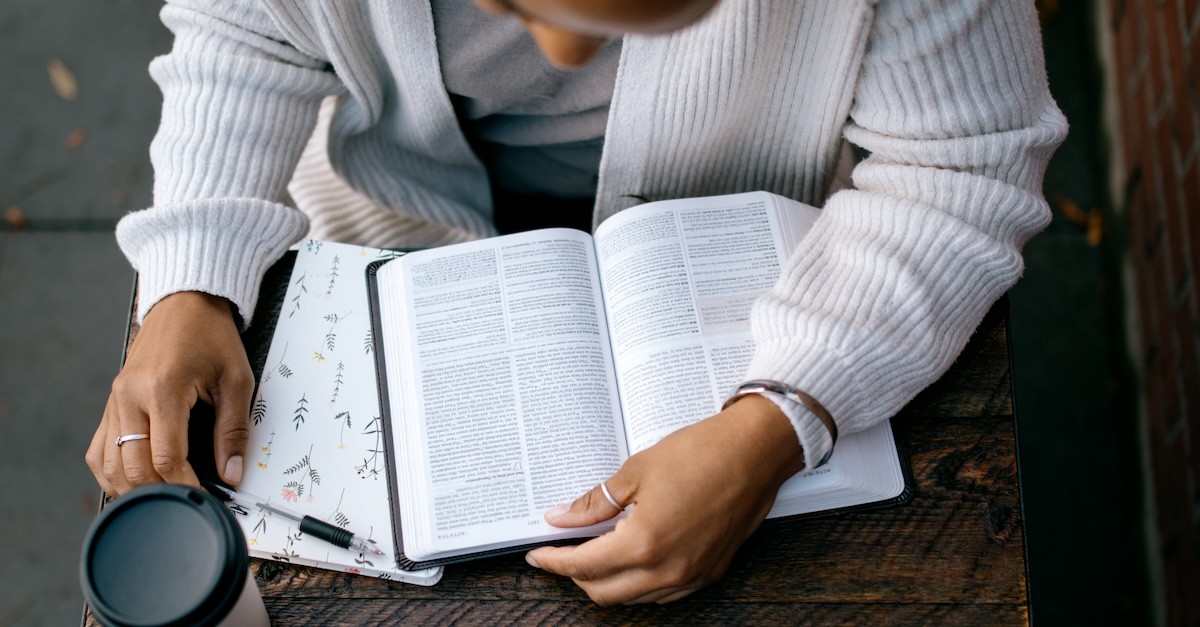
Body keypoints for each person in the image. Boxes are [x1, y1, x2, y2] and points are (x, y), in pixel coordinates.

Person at [86, 0, 1067, 605]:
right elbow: (249, 27)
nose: (558, 56)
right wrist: (193, 278)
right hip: (384, 233)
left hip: (744, 269)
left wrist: (786, 415)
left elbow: (961, 169)